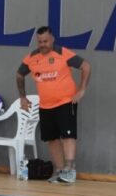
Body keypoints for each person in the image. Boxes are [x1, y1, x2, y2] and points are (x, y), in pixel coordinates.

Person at [16, 26, 91, 184]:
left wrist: (82, 90)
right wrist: (23, 97)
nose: (43, 44)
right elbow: (19, 74)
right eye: (40, 42)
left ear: (52, 39)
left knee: (68, 135)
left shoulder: (62, 53)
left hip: (65, 101)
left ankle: (69, 170)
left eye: (46, 41)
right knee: (52, 138)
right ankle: (60, 170)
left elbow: (86, 66)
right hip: (45, 105)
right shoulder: (31, 58)